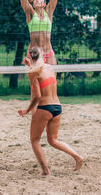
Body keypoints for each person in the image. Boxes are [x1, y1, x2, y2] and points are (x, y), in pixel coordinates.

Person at [18, 47, 83, 175]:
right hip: (57, 108)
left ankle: (45, 171)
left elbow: (37, 96)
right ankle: (77, 157)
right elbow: (41, 75)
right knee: (53, 140)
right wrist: (30, 65)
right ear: (43, 55)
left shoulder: (32, 73)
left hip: (44, 108)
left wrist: (27, 110)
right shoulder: (50, 68)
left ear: (29, 56)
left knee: (35, 140)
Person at [14, 0, 61, 65]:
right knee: (34, 82)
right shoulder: (30, 12)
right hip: (34, 54)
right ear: (33, 3)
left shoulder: (48, 11)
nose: (38, 0)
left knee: (52, 81)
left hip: (48, 53)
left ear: (44, 4)